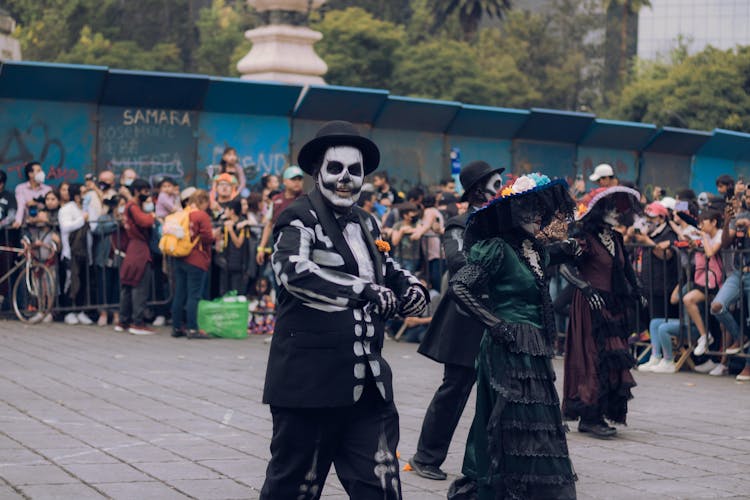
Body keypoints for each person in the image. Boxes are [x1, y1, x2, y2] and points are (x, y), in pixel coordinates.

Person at [260, 120, 428, 499]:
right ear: (318, 171)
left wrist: (413, 287)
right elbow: (293, 272)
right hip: (310, 387)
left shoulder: (368, 222)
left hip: (368, 386)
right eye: (336, 168)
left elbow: (387, 269)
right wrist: (364, 291)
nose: (345, 179)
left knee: (381, 488)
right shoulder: (298, 217)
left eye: (355, 171)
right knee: (293, 489)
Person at [446, 173, 577, 500]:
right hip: (505, 345)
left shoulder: (537, 252)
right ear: (512, 212)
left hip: (534, 346)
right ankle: (503, 487)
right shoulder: (495, 249)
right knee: (510, 418)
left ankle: (534, 489)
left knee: (538, 418)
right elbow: (460, 287)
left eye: (540, 209)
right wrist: (493, 323)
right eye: (528, 208)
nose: (535, 215)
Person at [410, 160, 504, 481]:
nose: (501, 187)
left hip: (499, 316)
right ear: (479, 189)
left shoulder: (504, 224)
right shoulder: (459, 224)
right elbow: (457, 262)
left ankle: (492, 461)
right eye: (495, 183)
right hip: (465, 317)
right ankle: (426, 456)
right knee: (455, 388)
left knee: (501, 390)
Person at [560, 186, 645, 438]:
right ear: (599, 211)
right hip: (590, 305)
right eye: (610, 208)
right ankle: (590, 416)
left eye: (618, 208)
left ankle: (601, 413)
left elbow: (627, 269)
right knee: (592, 356)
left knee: (612, 356)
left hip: (613, 305)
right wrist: (584, 287)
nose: (617, 213)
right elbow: (564, 266)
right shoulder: (584, 237)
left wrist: (638, 290)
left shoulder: (616, 238)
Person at [171, 189, 216, 339]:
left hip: (180, 257)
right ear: (203, 202)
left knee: (179, 294)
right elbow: (207, 237)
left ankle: (176, 327)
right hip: (196, 259)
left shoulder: (183, 214)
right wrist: (216, 235)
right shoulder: (201, 215)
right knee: (194, 295)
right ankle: (192, 328)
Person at [117, 179, 156, 335]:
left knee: (127, 286)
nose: (147, 195)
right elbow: (144, 221)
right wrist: (153, 215)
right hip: (139, 250)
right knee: (139, 286)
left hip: (132, 249)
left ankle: (123, 321)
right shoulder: (133, 207)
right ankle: (137, 323)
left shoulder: (129, 207)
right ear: (137, 191)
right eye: (145, 191)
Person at [255, 166, 305, 267]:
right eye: (293, 179)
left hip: (300, 250)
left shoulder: (306, 200)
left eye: (299, 179)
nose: (297, 182)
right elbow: (269, 225)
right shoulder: (276, 200)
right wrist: (261, 248)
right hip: (278, 249)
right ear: (284, 181)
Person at [58, 183, 92, 325]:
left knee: (83, 282)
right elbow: (65, 227)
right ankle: (68, 311)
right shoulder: (67, 209)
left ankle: (80, 310)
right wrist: (81, 220)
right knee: (70, 282)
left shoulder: (85, 209)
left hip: (85, 251)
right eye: (82, 192)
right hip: (70, 252)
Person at [13, 161, 52, 228]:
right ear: (30, 174)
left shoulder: (47, 189)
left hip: (45, 226)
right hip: (27, 226)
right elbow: (21, 206)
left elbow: (52, 206)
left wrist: (37, 203)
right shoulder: (21, 188)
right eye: (39, 171)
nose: (42, 173)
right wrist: (18, 221)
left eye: (41, 170)